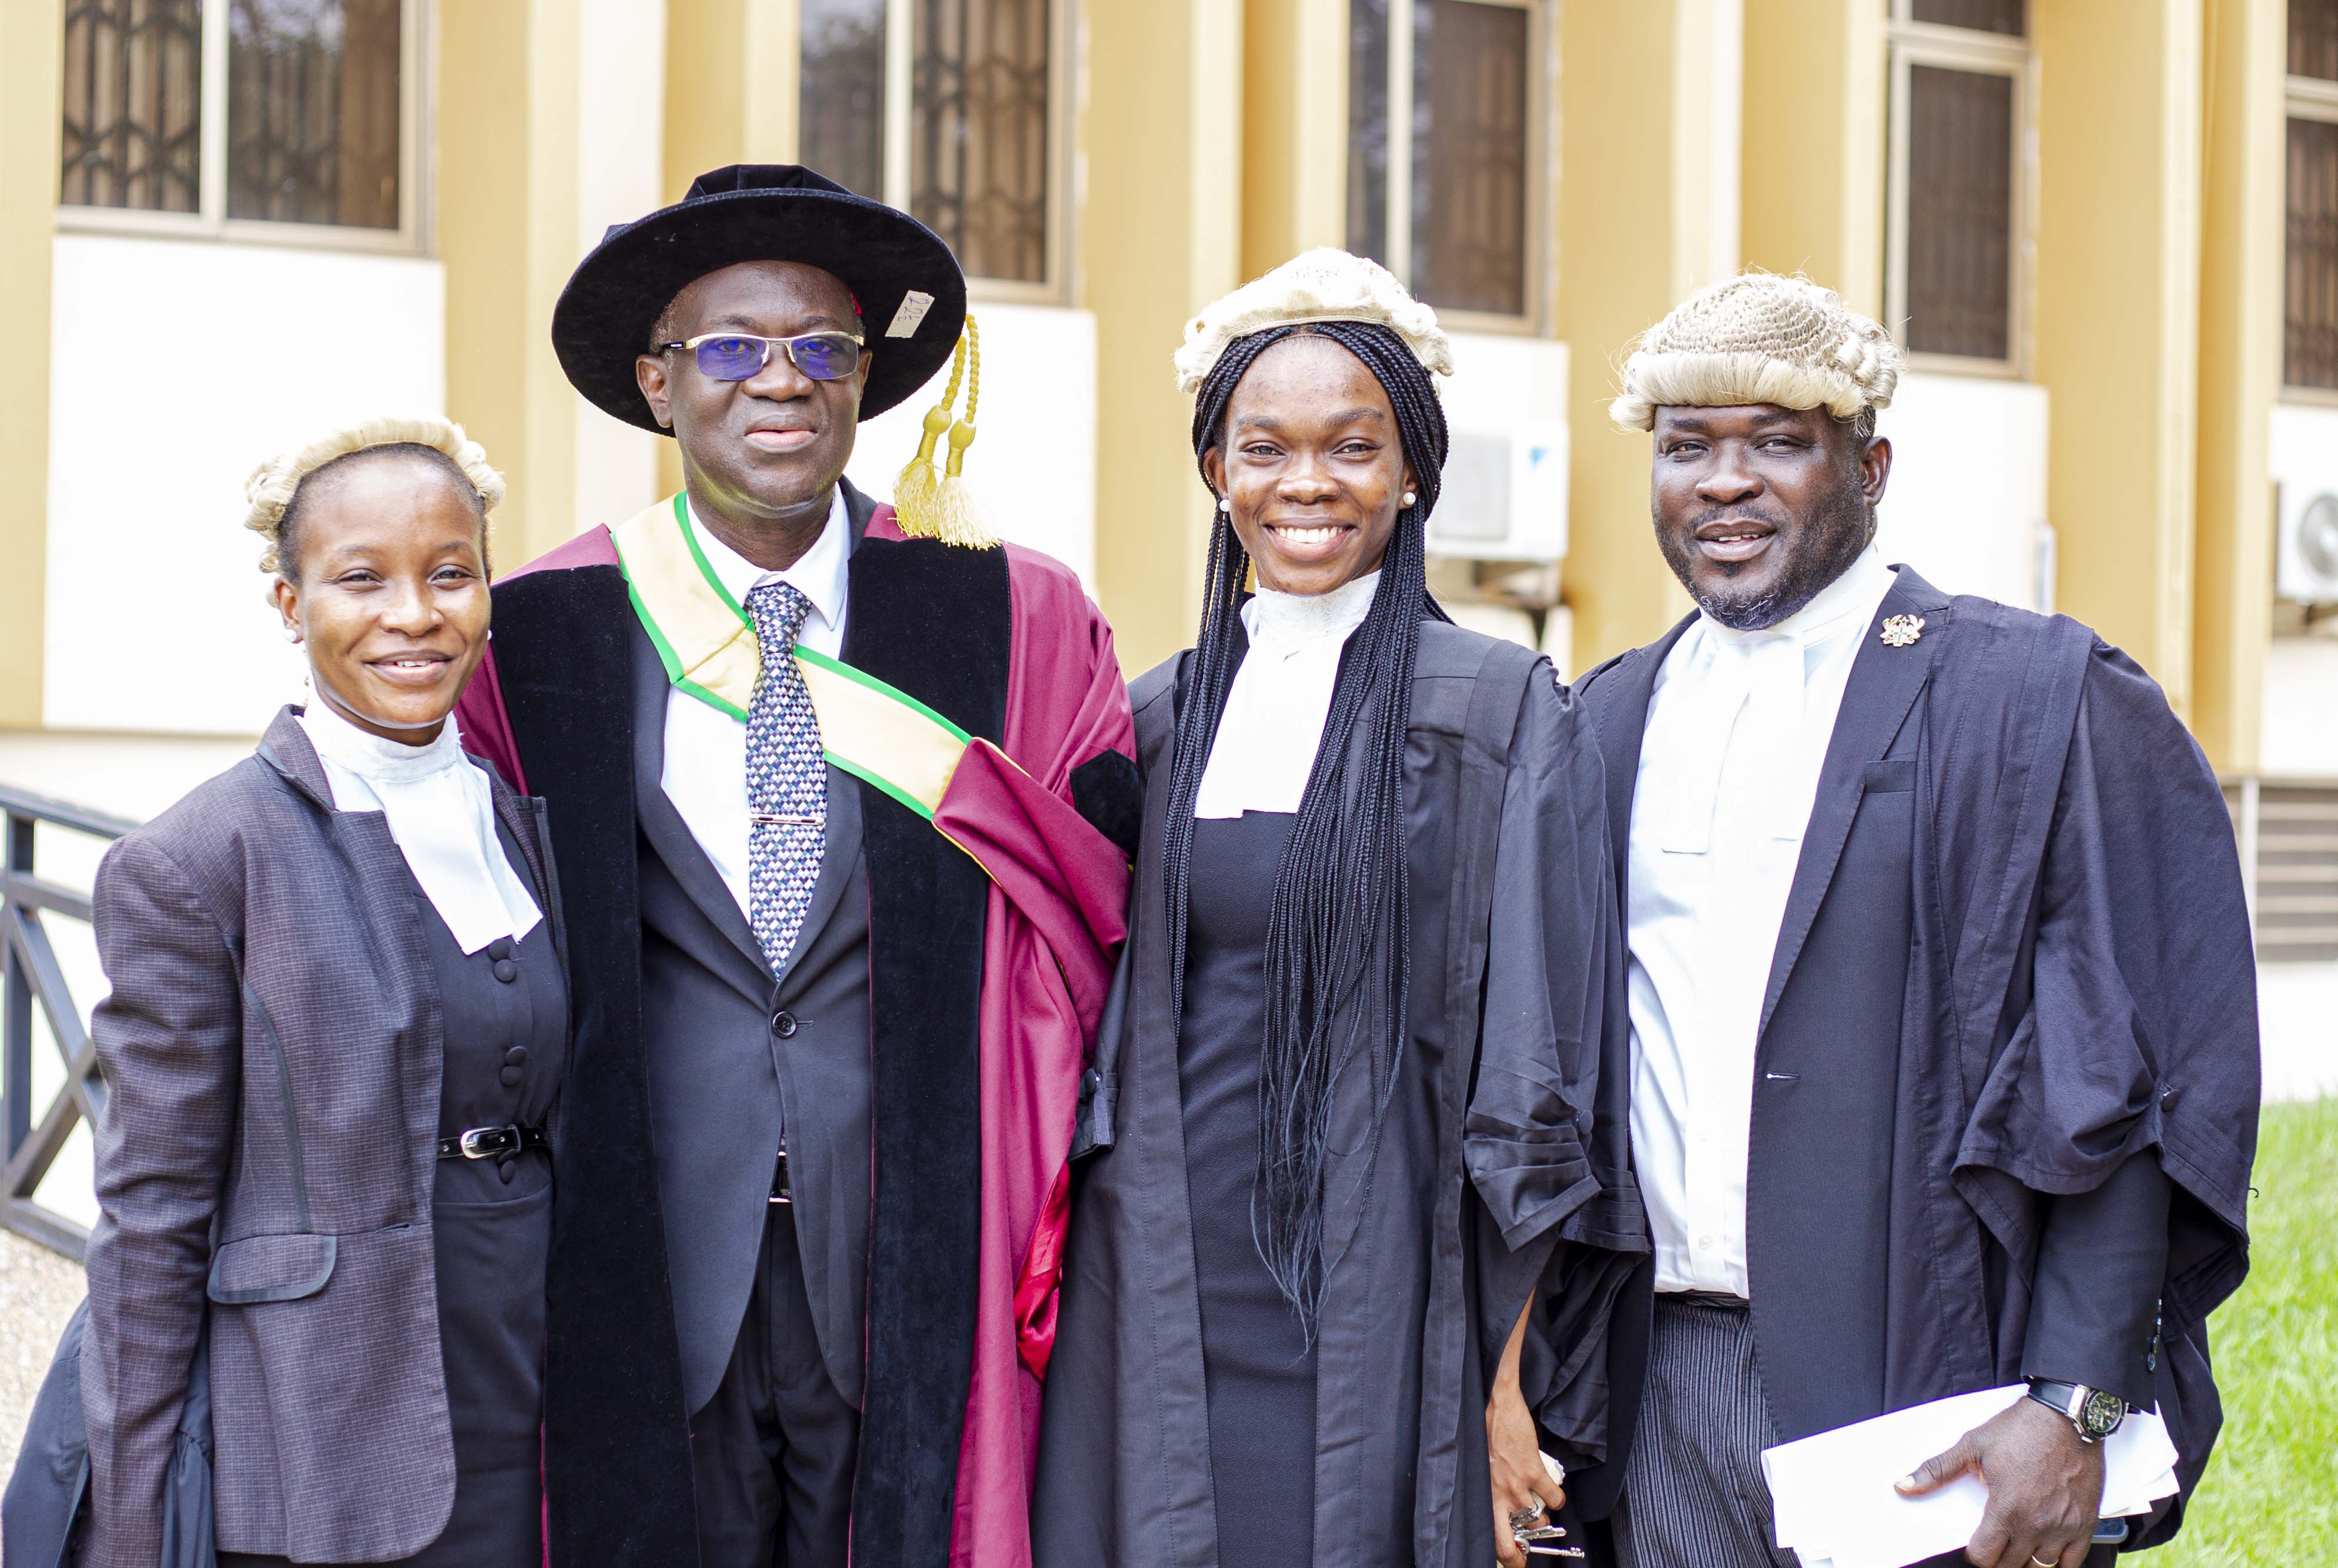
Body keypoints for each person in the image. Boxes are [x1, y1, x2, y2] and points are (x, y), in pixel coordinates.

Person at [451, 164, 1136, 1568]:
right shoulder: (540, 631)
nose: (781, 380)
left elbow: (1090, 914)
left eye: (822, 347)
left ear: (865, 378)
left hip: (916, 1232)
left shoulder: (1012, 614)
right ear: (657, 382)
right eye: (730, 347)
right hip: (643, 1228)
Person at [1554, 272, 2260, 1568]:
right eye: (1686, 446)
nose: (1724, 482)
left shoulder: (2034, 700)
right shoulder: (1603, 718)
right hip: (1660, 1382)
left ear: (1869, 466)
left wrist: (2076, 1397)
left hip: (1938, 1384)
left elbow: (2131, 1077)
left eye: (1777, 442)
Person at [1030, 249, 1622, 1568]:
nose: (1306, 483)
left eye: (1352, 447)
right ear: (1216, 472)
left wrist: (1506, 1373)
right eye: (1266, 449)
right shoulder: (1155, 715)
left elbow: (1540, 1071)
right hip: (1159, 1284)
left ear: (1411, 470)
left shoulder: (1496, 712)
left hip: (1386, 1291)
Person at [81, 418, 564, 1566]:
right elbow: (152, 1213)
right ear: (291, 605)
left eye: (450, 573)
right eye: (362, 578)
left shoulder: (525, 816)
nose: (414, 614)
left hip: (541, 1379)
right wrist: (132, 1520)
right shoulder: (201, 859)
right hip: (327, 1420)